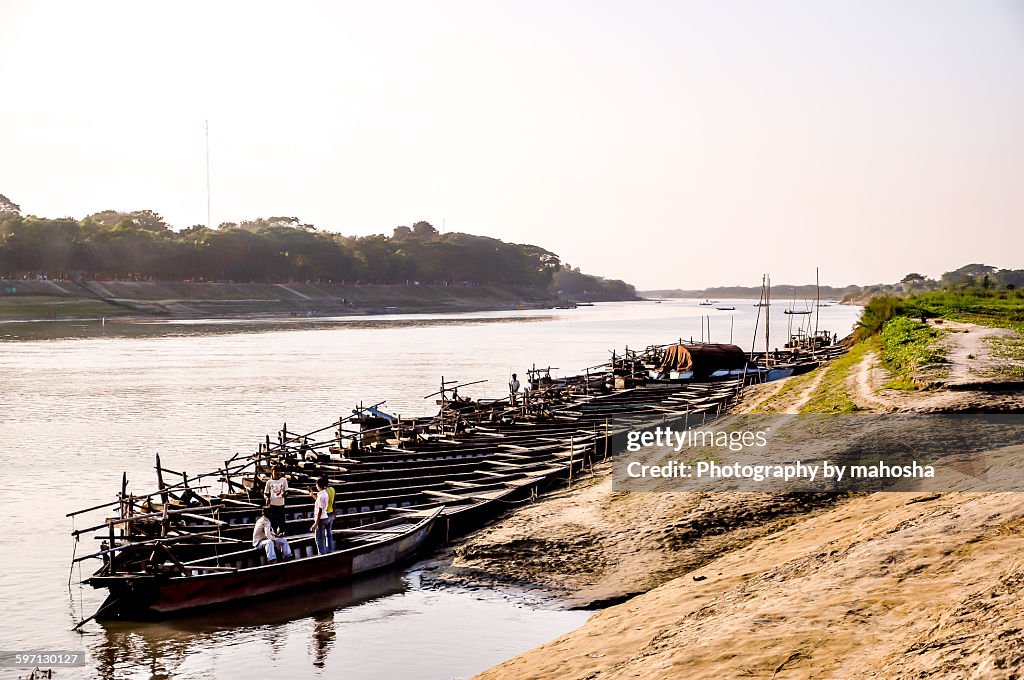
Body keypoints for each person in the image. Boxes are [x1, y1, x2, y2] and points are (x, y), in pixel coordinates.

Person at [263, 466, 288, 534]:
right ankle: (274, 534)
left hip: (281, 504)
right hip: (272, 504)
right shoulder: (269, 482)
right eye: (275, 471)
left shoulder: (284, 480)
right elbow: (265, 493)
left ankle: (282, 534)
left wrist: (284, 495)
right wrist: (267, 498)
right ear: (272, 472)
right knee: (273, 521)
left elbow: (287, 492)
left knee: (281, 521)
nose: (277, 473)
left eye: (278, 471)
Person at [311, 478, 331, 555]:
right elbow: (320, 504)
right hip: (325, 516)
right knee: (322, 538)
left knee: (319, 538)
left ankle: (322, 554)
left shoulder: (321, 496)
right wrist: (313, 495)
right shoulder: (325, 494)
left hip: (321, 518)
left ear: (318, 485)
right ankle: (324, 552)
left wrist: (316, 523)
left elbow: (319, 510)